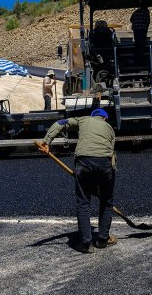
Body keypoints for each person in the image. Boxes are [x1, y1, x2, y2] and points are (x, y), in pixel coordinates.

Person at [38, 108, 117, 253]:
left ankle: (86, 244)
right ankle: (102, 239)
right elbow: (111, 152)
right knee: (106, 202)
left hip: (84, 163)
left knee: (83, 202)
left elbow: (60, 123)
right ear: (104, 119)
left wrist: (46, 141)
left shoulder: (83, 120)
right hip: (104, 164)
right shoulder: (109, 128)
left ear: (92, 116)